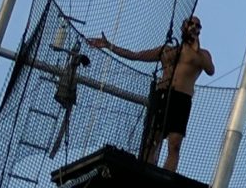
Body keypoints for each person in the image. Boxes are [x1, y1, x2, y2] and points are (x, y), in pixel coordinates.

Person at [89, 16, 215, 171]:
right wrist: (109, 46)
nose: (194, 27)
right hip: (162, 94)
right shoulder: (168, 50)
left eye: (197, 25)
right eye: (191, 24)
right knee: (152, 140)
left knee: (174, 144)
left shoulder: (202, 55)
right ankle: (146, 171)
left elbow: (210, 70)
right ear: (183, 27)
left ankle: (167, 177)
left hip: (182, 99)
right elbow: (136, 55)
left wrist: (196, 46)